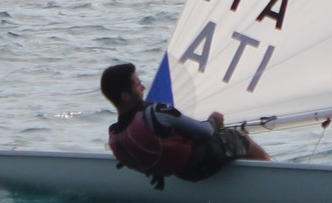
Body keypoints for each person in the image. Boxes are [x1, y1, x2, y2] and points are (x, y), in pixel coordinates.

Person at [100, 62, 270, 187]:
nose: (143, 87)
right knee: (238, 137)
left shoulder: (118, 134)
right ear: (125, 96)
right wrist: (214, 121)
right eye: (138, 85)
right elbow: (205, 131)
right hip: (204, 162)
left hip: (183, 174)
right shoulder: (157, 113)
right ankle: (270, 176)